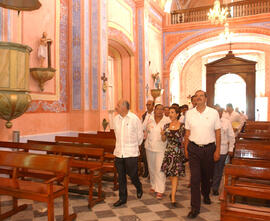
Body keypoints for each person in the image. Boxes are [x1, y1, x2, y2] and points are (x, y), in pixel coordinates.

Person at [184, 90, 221, 219]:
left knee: (207, 176)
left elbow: (218, 132)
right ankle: (194, 208)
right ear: (194, 99)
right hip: (194, 149)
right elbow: (187, 133)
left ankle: (205, 194)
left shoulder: (213, 113)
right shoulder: (189, 114)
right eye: (196, 96)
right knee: (195, 178)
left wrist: (217, 150)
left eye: (201, 96)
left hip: (209, 149)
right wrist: (186, 149)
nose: (198, 98)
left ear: (206, 98)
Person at [113, 100, 144, 207]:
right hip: (119, 152)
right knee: (121, 177)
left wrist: (134, 146)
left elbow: (140, 136)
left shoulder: (134, 119)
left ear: (124, 107)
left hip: (131, 153)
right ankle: (122, 198)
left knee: (132, 175)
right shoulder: (116, 119)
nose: (116, 107)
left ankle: (138, 187)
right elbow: (116, 134)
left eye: (118, 105)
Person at [161, 106, 186, 207]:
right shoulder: (166, 125)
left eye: (172, 112)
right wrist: (162, 134)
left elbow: (184, 139)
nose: (170, 114)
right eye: (169, 112)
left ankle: (173, 198)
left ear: (177, 114)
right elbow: (163, 139)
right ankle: (173, 190)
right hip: (168, 152)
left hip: (177, 152)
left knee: (175, 175)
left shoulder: (182, 126)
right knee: (170, 175)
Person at [144, 104, 170, 199]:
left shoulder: (167, 121)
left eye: (161, 109)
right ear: (154, 110)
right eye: (157, 109)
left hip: (161, 148)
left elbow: (168, 136)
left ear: (163, 111)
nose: (159, 111)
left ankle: (160, 189)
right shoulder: (149, 119)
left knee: (159, 168)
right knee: (151, 168)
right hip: (149, 147)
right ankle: (153, 185)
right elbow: (145, 131)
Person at [212, 108, 235, 196]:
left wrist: (231, 149)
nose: (219, 113)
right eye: (217, 111)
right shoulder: (210, 121)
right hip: (210, 148)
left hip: (223, 148)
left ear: (223, 112)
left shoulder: (226, 122)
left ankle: (215, 188)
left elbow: (231, 136)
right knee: (210, 169)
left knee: (219, 169)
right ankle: (209, 184)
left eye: (220, 111)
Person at [141, 100, 155, 177]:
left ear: (153, 106)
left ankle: (152, 173)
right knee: (145, 156)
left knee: (152, 157)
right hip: (145, 138)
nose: (148, 106)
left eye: (149, 104)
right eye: (147, 104)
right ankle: (146, 171)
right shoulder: (144, 115)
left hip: (153, 139)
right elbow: (141, 126)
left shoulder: (155, 115)